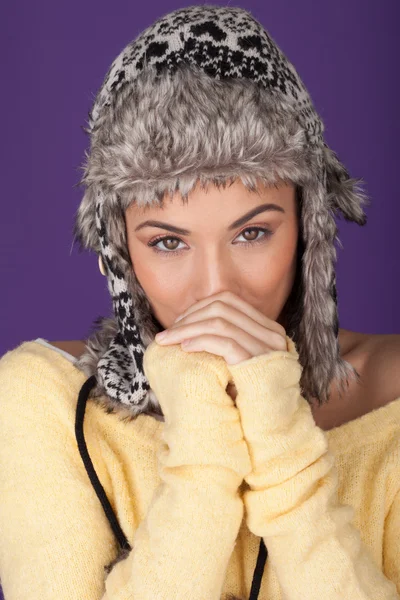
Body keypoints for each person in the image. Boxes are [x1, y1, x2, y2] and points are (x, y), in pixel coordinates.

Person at [0, 5, 399, 600]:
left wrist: (279, 426)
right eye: (167, 242)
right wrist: (203, 451)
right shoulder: (46, 401)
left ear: (308, 227)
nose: (216, 289)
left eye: (253, 233)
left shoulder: (392, 397)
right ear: (120, 253)